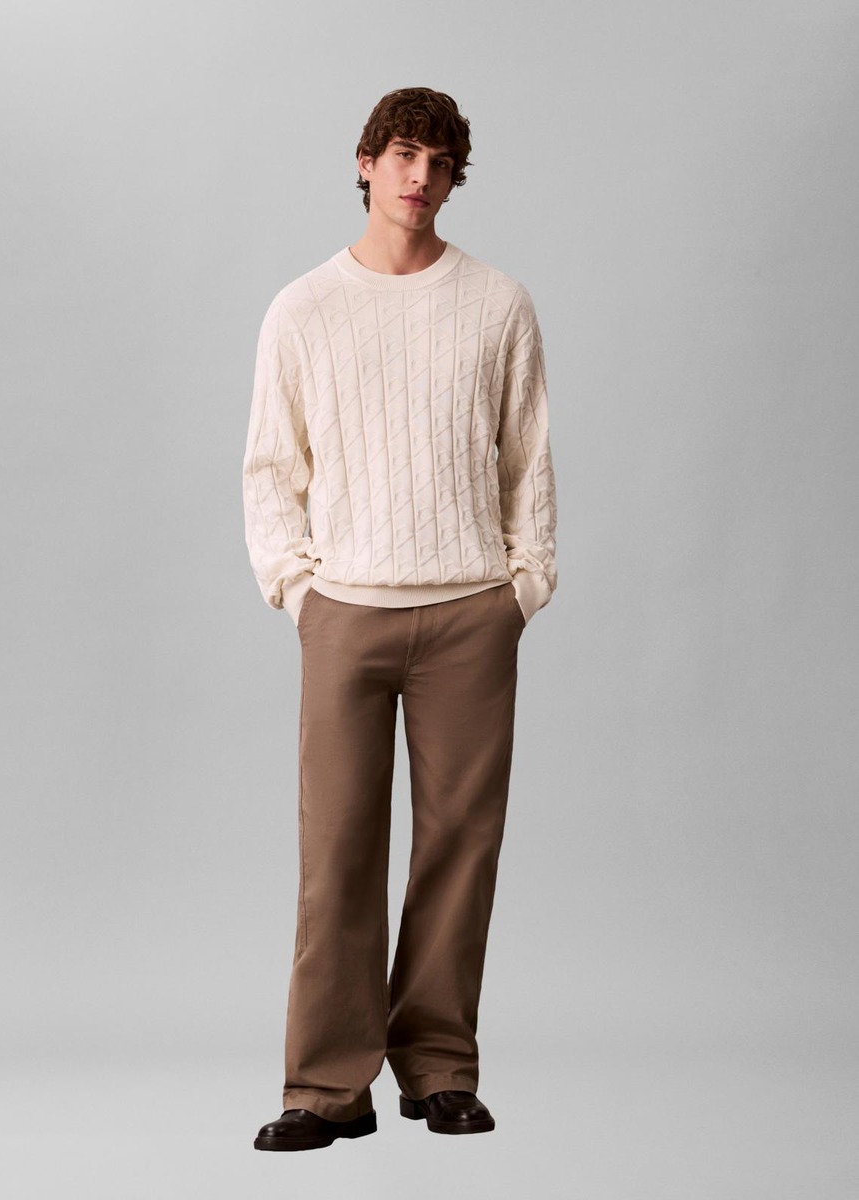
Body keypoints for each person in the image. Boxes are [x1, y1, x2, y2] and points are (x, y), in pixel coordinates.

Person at [242, 86, 557, 1152]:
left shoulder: (498, 303)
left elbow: (528, 458)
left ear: (455, 179)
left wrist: (524, 585)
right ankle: (327, 1086)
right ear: (367, 162)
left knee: (460, 847)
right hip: (347, 612)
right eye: (405, 155)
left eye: (441, 163)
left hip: (470, 612)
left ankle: (439, 1069)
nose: (421, 178)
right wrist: (297, 589)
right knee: (336, 852)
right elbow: (271, 467)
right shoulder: (303, 309)